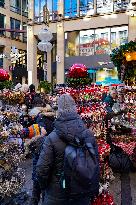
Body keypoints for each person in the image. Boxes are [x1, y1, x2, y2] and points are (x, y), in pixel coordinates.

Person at [36, 94, 99, 205]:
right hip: (81, 193)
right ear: (75, 109)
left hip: (56, 196)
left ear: (58, 111)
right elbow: (95, 162)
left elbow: (42, 169)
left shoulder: (51, 138)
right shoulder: (88, 134)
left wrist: (45, 188)